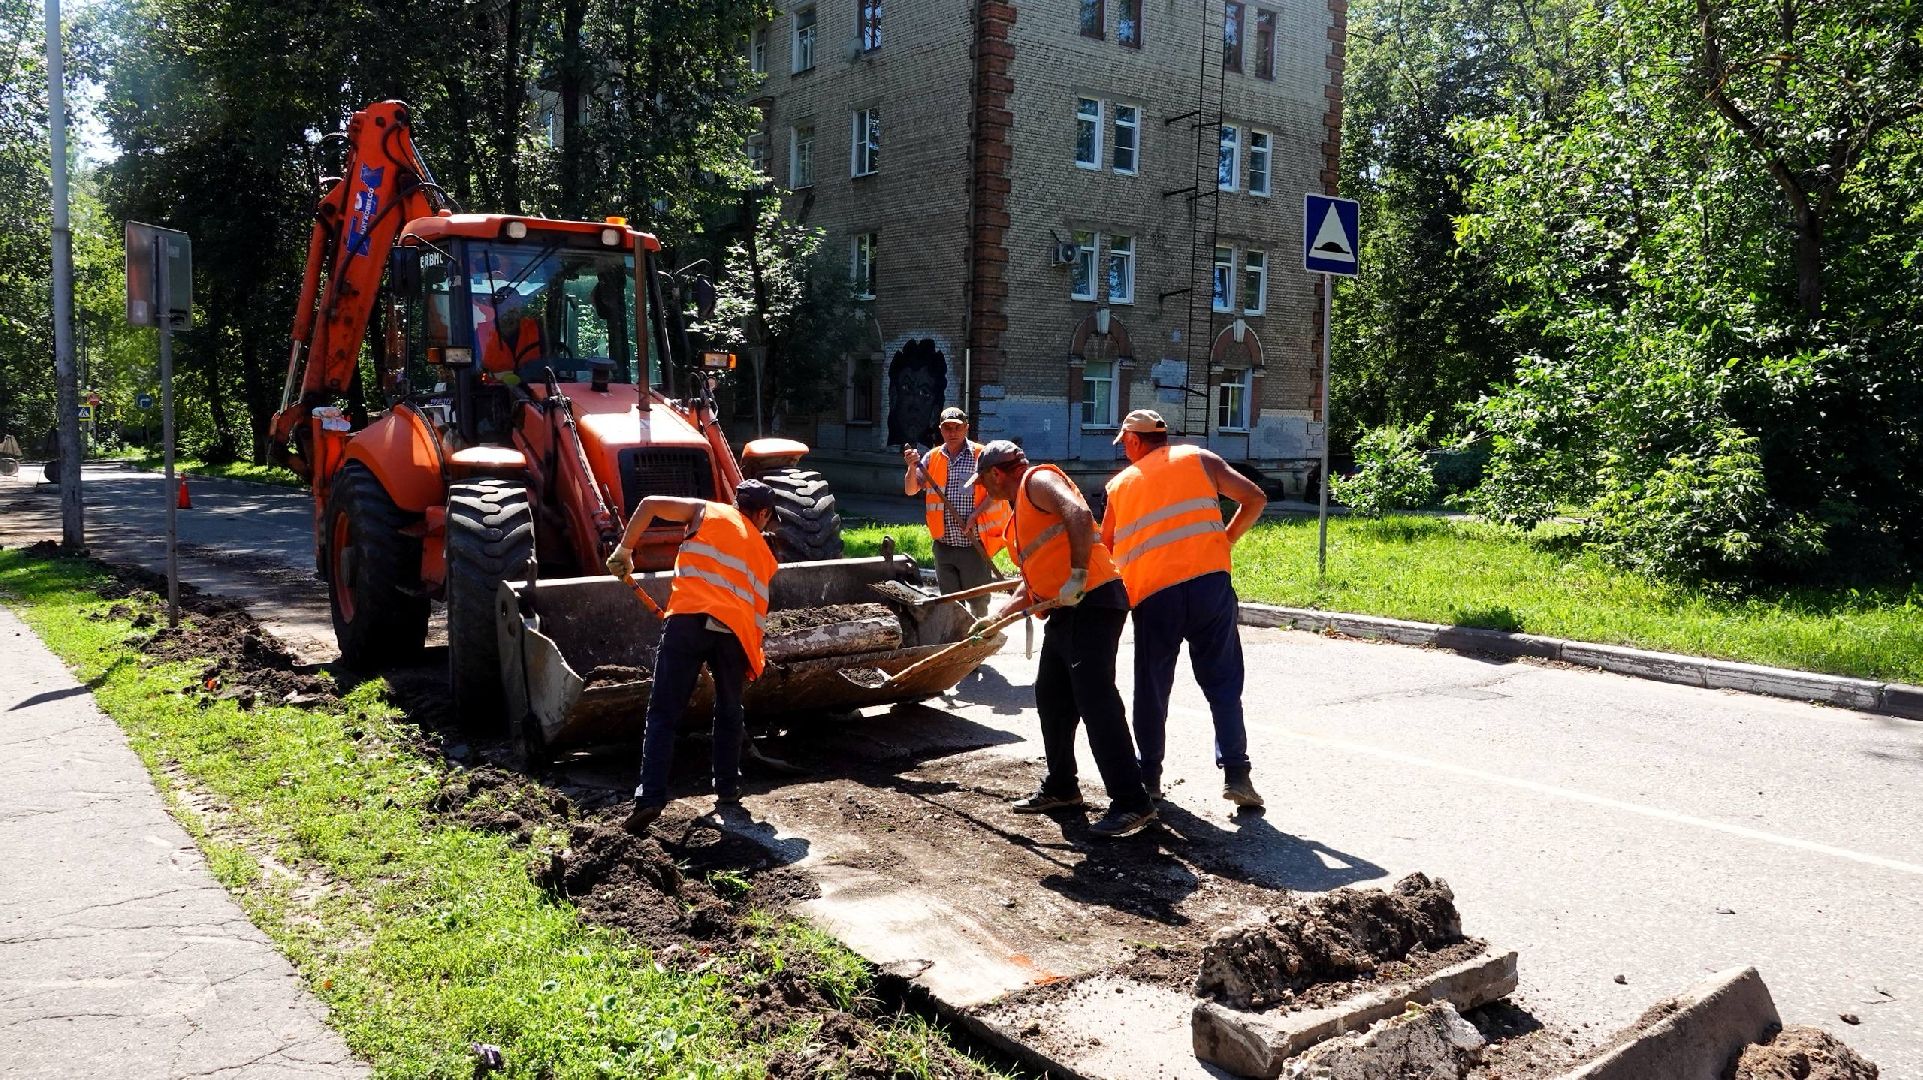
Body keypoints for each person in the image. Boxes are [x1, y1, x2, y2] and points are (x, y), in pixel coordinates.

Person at [971, 440, 1156, 838]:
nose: (985, 491)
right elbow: (1033, 581)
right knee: (1051, 697)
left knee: (1096, 700)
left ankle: (1132, 801)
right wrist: (995, 619)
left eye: (984, 482)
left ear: (997, 473)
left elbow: (1078, 511)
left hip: (1092, 600)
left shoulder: (1037, 481)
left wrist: (1077, 573)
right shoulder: (1019, 512)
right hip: (1066, 609)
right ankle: (1062, 786)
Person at [1101, 409, 1268, 809]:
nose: (1124, 450)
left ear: (1136, 440)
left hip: (1156, 595)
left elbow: (1103, 550)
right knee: (1223, 682)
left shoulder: (1120, 486)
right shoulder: (1201, 459)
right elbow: (1255, 499)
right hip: (1210, 585)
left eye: (1125, 442)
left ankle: (1150, 778)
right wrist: (1225, 541)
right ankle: (1237, 773)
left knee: (1153, 688)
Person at [606, 480, 780, 834]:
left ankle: (650, 797)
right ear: (762, 514)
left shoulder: (705, 510)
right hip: (733, 636)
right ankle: (728, 789)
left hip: (687, 623)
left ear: (736, 502)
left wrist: (625, 550)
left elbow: (651, 501)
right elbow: (754, 612)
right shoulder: (765, 555)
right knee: (730, 709)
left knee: (664, 713)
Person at [902, 407, 1010, 616]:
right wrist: (910, 467)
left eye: (957, 428)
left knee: (978, 602)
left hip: (973, 545)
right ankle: (957, 643)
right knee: (950, 604)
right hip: (944, 545)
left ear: (966, 429)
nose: (952, 432)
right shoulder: (932, 458)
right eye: (947, 428)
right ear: (941, 430)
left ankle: (979, 640)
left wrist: (975, 515)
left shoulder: (981, 455)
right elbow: (910, 489)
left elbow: (997, 491)